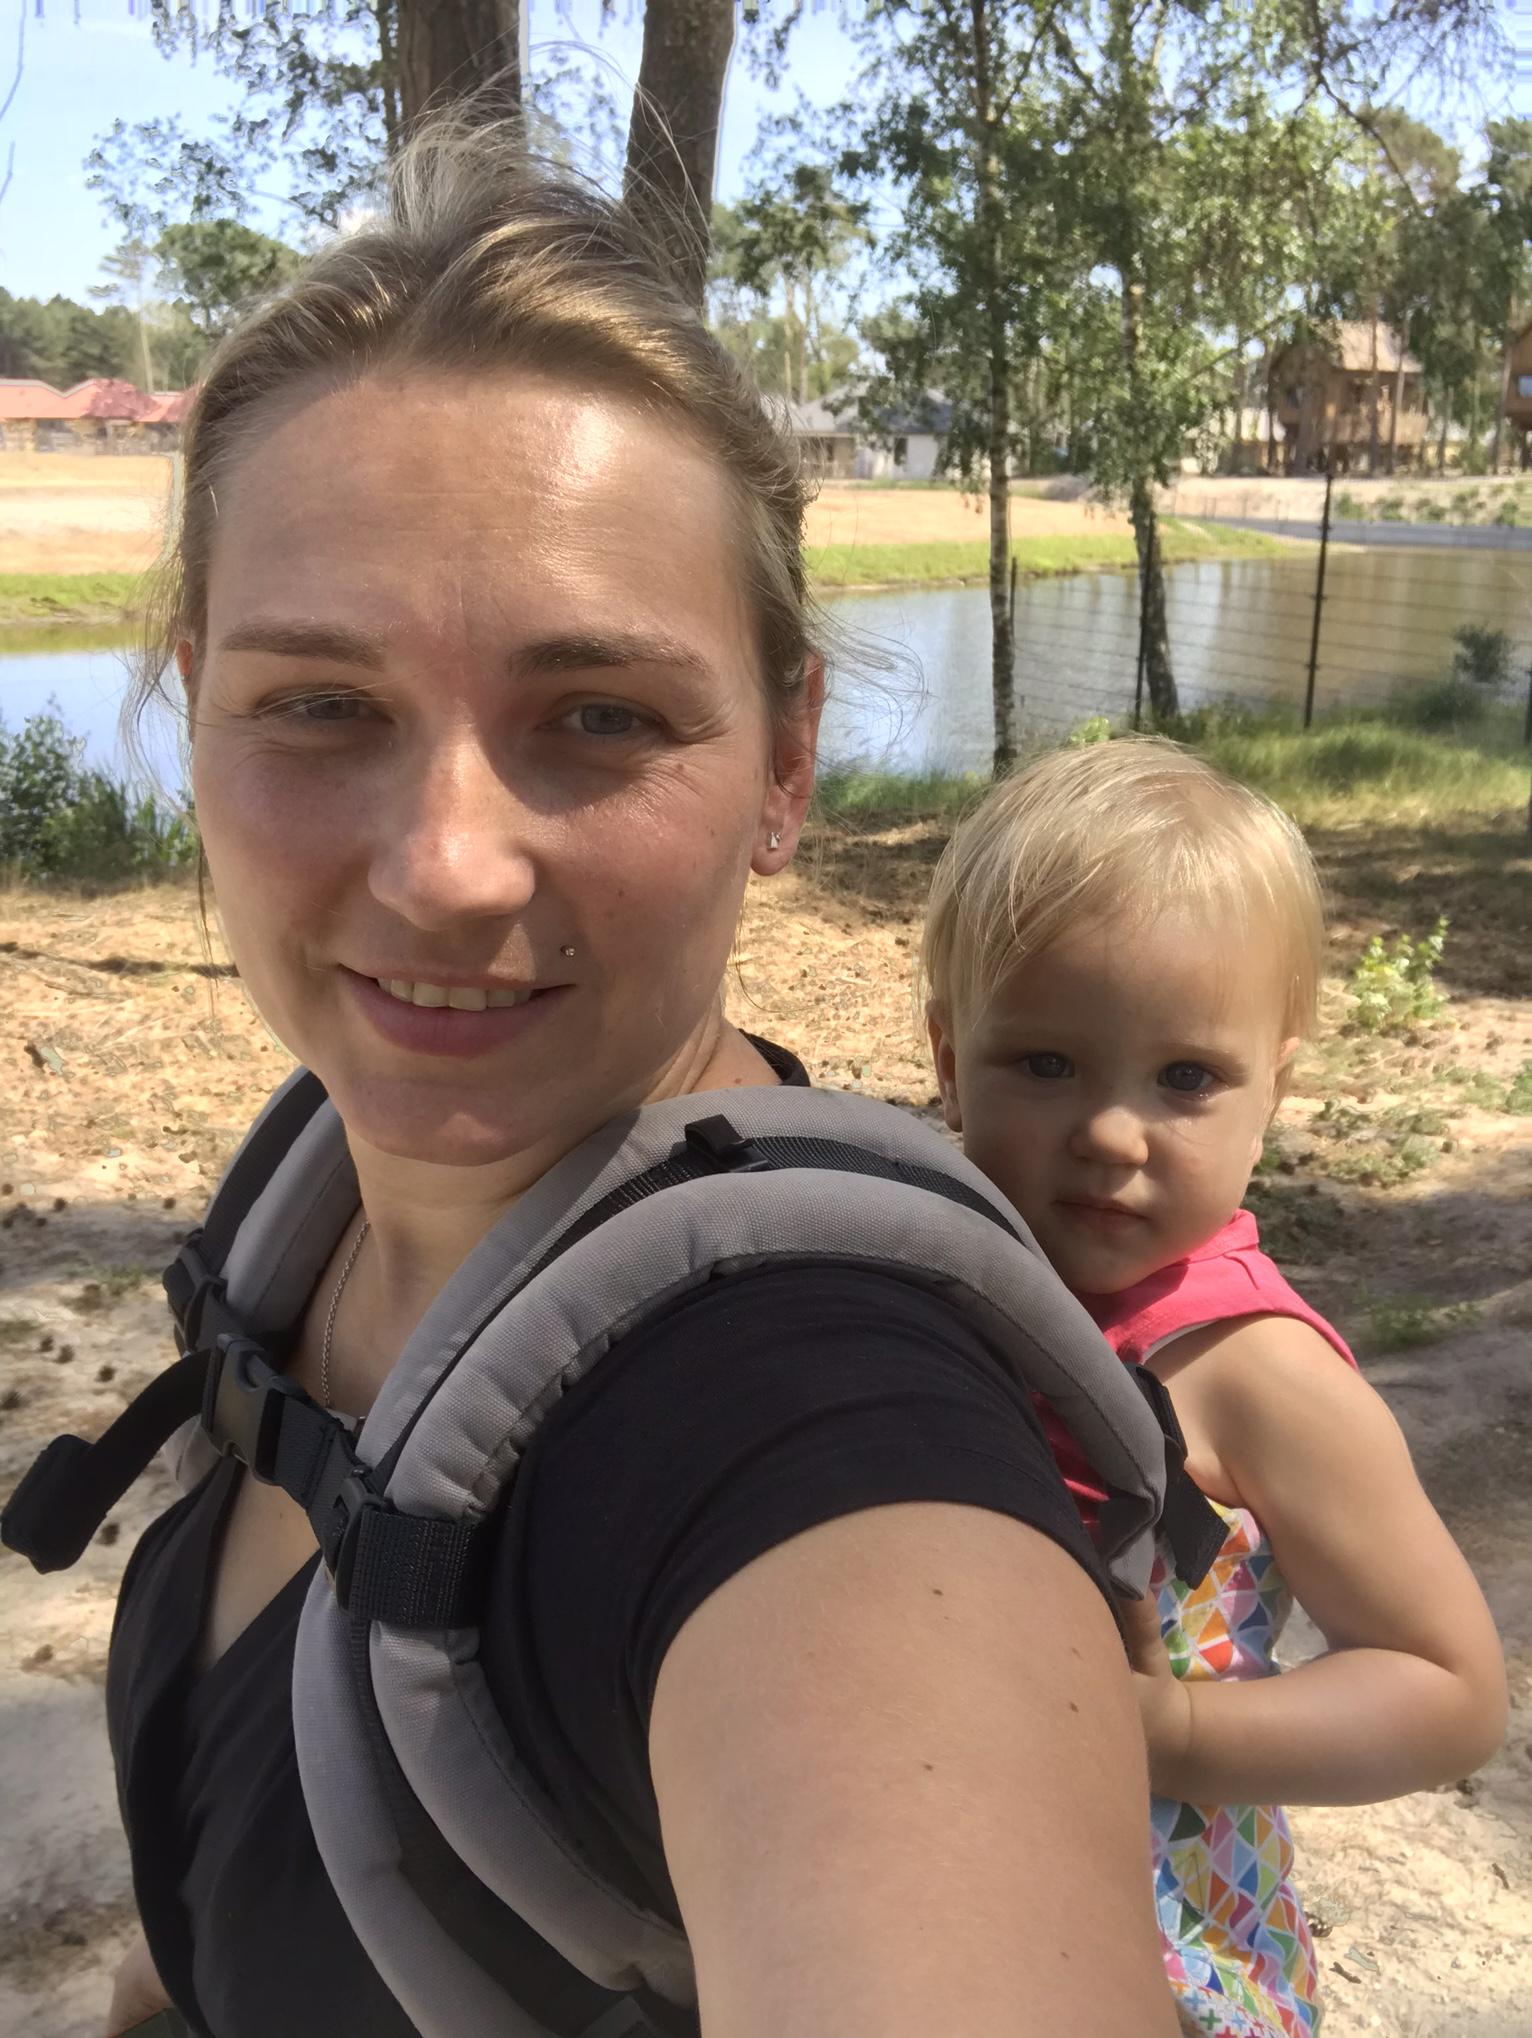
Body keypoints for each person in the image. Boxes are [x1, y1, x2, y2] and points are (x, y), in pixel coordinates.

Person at [96, 125, 1182, 2038]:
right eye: (321, 705)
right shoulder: (310, 1188)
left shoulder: (816, 1440)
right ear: (200, 705)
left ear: (786, 763)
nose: (447, 869)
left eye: (598, 715)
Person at [922, 738, 1507, 2038]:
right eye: (1045, 1064)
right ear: (950, 1057)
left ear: (1273, 1091)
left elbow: (1447, 1691)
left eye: (1185, 1078)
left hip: (1154, 1956)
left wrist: (1169, 1729)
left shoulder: (1252, 1369)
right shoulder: (932, 1277)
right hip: (929, 1897)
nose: (1111, 1132)